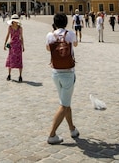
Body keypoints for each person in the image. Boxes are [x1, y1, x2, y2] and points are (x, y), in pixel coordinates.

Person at [45, 13, 79, 145]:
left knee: (66, 102)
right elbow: (75, 45)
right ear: (66, 22)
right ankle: (52, 135)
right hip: (68, 73)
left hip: (55, 73)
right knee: (64, 105)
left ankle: (72, 129)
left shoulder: (50, 35)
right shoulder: (70, 34)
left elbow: (48, 49)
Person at [3, 14, 24, 82]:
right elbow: (7, 35)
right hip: (12, 46)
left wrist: (23, 46)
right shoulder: (10, 27)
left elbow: (21, 37)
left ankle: (20, 76)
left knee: (19, 60)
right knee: (10, 60)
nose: (15, 22)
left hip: (18, 45)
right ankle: (9, 75)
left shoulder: (20, 28)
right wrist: (5, 43)